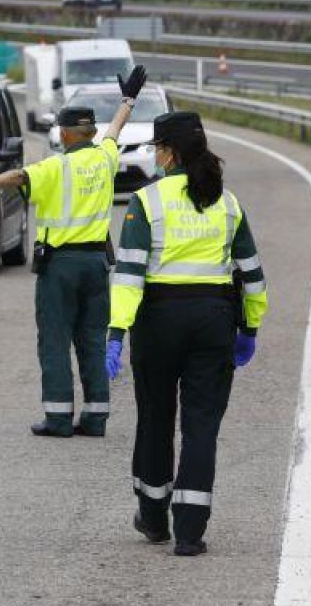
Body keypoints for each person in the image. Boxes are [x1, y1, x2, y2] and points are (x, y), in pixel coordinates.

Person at [105, 111, 269, 556]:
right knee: (201, 425)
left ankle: (154, 518)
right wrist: (250, 327)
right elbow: (253, 275)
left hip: (158, 322)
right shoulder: (228, 203)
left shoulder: (147, 201)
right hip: (214, 321)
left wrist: (117, 331)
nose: (155, 156)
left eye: (157, 148)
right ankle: (191, 532)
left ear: (169, 153)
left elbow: (129, 275)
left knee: (155, 418)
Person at [0, 65, 148, 438]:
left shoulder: (56, 166)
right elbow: (115, 131)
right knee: (92, 340)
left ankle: (59, 417)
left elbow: (20, 177)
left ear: (63, 133)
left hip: (60, 266)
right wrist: (128, 101)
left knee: (55, 341)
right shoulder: (105, 158)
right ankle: (96, 417)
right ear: (90, 132)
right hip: (96, 264)